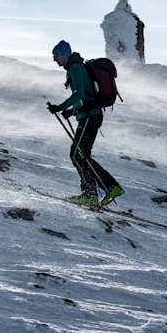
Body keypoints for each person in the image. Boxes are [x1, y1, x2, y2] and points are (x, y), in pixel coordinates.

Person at [46, 39, 124, 209]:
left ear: (64, 54)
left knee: (77, 154)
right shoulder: (75, 67)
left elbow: (80, 94)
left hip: (90, 116)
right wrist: (72, 111)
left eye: (56, 55)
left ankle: (91, 194)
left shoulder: (75, 68)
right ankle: (109, 188)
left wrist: (60, 107)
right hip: (89, 115)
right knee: (81, 155)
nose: (55, 59)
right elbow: (86, 95)